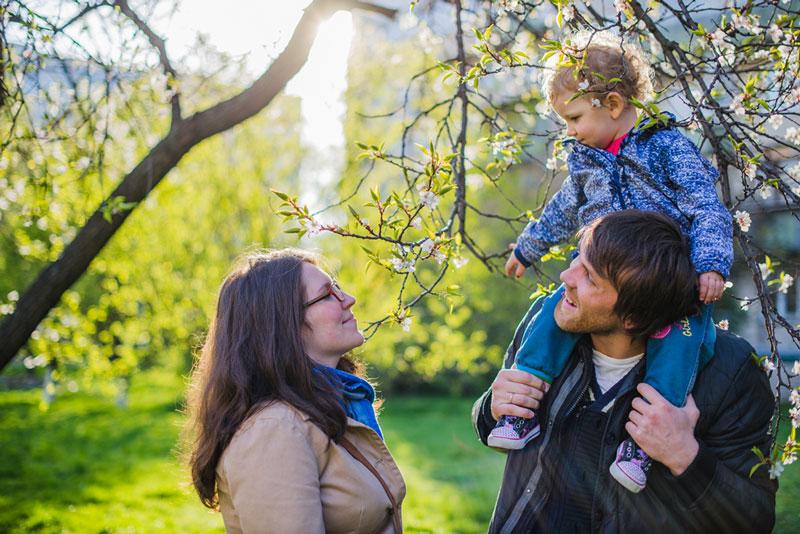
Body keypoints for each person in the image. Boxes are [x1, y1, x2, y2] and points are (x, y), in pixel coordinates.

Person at [489, 30, 733, 493]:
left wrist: (710, 264)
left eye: (575, 116)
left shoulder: (665, 146)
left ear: (614, 104)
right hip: (601, 278)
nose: (570, 130)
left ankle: (642, 444)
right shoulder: (587, 160)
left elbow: (705, 205)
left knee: (679, 343)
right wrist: (528, 246)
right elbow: (562, 209)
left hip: (666, 282)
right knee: (551, 312)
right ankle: (522, 410)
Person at [473, 210, 776, 532]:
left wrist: (685, 456)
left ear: (632, 317)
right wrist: (492, 409)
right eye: (578, 259)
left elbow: (754, 519)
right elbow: (492, 427)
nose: (566, 277)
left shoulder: (730, 370)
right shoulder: (548, 324)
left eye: (590, 277)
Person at [187, 249, 405, 533]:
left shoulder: (329, 406)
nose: (349, 299)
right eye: (328, 294)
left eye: (337, 289)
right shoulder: (273, 431)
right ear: (282, 322)